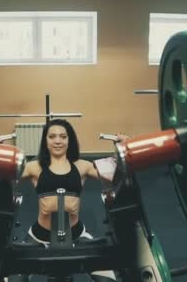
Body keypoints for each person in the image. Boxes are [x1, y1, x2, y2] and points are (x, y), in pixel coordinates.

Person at [17, 119, 126, 281]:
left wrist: (123, 148)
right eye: (52, 136)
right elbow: (2, 175)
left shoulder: (82, 165)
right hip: (38, 237)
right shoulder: (34, 166)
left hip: (77, 236)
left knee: (108, 280)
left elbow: (115, 176)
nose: (58, 141)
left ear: (70, 140)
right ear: (45, 141)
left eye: (63, 136)